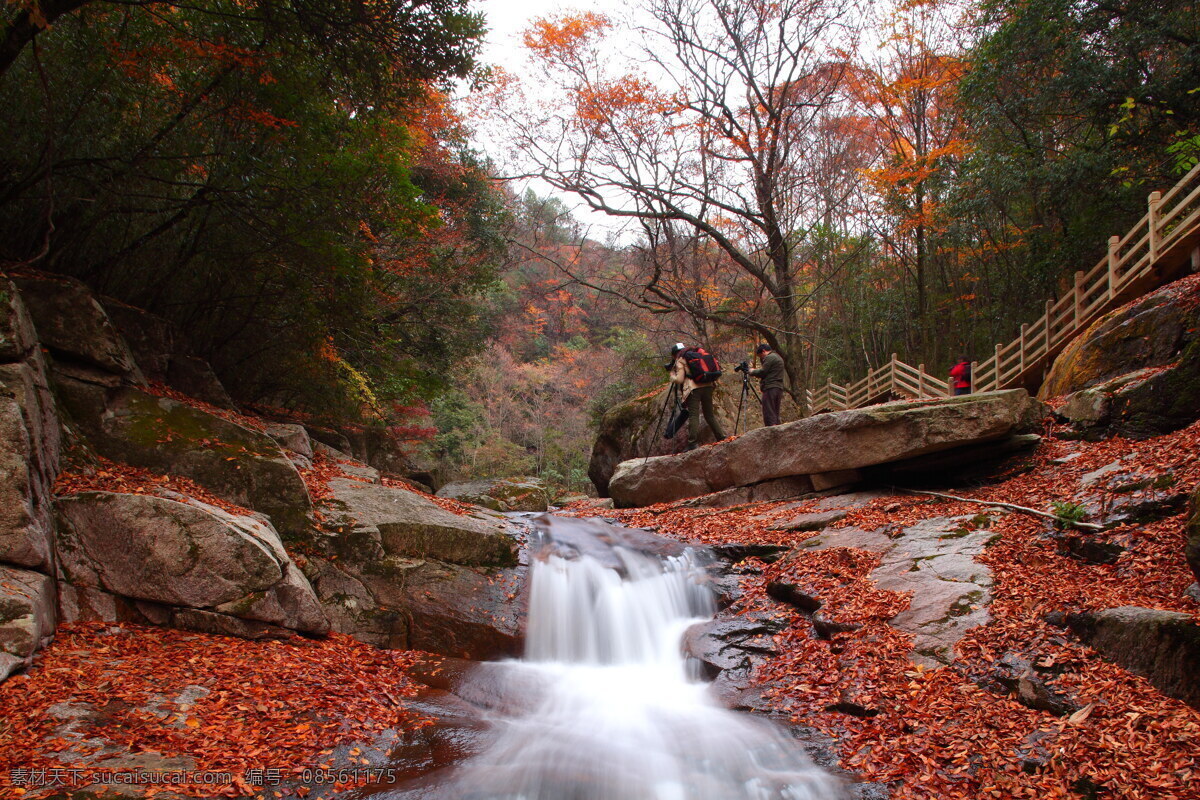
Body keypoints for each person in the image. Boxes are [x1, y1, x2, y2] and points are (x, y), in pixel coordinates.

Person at [668, 342, 727, 450]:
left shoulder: (681, 359)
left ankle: (692, 443)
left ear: (674, 354)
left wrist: (672, 376)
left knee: (693, 415)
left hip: (694, 389)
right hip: (708, 386)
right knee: (709, 414)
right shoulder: (697, 354)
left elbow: (680, 379)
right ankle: (721, 437)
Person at [748, 343, 785, 426]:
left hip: (770, 387)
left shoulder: (770, 357)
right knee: (775, 412)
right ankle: (777, 431)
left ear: (764, 351)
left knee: (769, 412)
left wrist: (752, 371)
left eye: (760, 356)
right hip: (778, 387)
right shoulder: (778, 357)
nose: (761, 358)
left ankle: (770, 432)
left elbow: (763, 372)